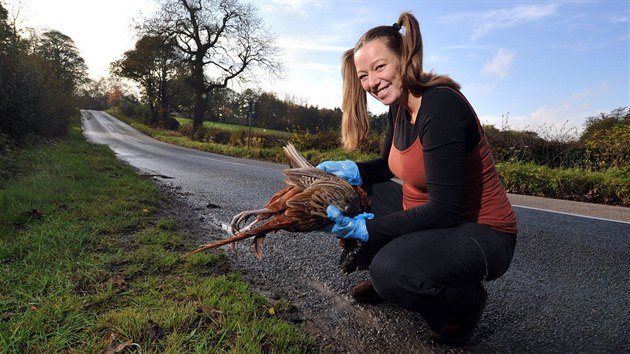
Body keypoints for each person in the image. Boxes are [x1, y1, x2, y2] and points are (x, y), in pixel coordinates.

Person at [318, 11, 518, 344]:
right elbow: (385, 168)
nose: (372, 83)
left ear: (405, 57)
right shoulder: (397, 107)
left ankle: (463, 302)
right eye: (364, 75)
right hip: (439, 222)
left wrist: (364, 229)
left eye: (380, 67)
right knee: (355, 190)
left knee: (392, 272)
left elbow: (444, 211)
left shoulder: (440, 107)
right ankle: (391, 278)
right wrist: (350, 170)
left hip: (482, 232)